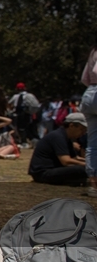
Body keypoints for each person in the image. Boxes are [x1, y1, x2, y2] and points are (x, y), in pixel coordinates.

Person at [28, 112, 87, 186]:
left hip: (52, 170)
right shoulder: (58, 136)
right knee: (82, 170)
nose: (83, 133)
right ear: (71, 126)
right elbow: (66, 161)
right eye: (81, 129)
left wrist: (90, 162)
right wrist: (87, 165)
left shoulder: (67, 137)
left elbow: (75, 158)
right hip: (43, 173)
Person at [81, 46, 97, 197]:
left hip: (89, 94)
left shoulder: (92, 51)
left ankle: (93, 184)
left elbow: (84, 79)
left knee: (92, 143)